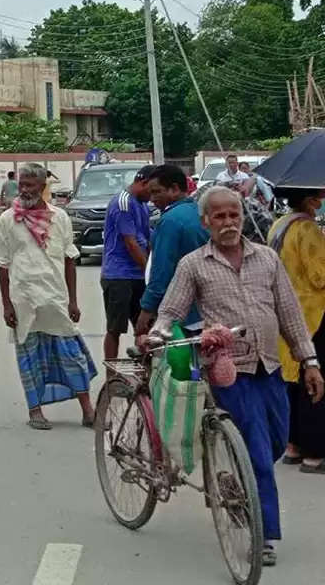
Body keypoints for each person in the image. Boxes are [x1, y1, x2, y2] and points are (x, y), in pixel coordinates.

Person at [150, 185, 324, 566]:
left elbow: (290, 313)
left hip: (271, 366)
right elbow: (171, 310)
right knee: (259, 454)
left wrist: (309, 361)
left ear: (242, 216)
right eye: (220, 216)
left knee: (277, 442)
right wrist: (157, 334)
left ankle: (236, 480)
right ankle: (263, 534)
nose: (228, 222)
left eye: (234, 215)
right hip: (229, 371)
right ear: (205, 222)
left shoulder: (266, 259)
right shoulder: (194, 264)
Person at [0, 164, 96, 430]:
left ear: (43, 187)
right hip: (24, 299)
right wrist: (6, 305)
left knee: (72, 355)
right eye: (22, 184)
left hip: (55, 297)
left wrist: (73, 300)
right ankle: (35, 411)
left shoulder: (59, 217)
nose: (25, 190)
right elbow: (2, 265)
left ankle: (88, 410)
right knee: (29, 359)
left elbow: (70, 259)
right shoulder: (8, 219)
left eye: (30, 185)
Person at [268, 188, 325, 475]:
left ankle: (292, 446)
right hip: (314, 315)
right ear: (311, 198)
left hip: (285, 312)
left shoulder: (281, 223)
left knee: (293, 379)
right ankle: (315, 453)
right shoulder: (308, 228)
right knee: (314, 383)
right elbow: (320, 276)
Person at [135, 164, 209, 336]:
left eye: (156, 192)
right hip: (206, 309)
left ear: (174, 189)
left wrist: (146, 310)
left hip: (182, 314)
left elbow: (161, 271)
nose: (152, 199)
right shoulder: (198, 212)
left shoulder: (169, 221)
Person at [101, 166, 154, 364]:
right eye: (152, 190)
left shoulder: (142, 204)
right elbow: (131, 243)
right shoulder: (123, 203)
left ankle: (144, 370)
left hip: (138, 275)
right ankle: (111, 374)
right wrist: (149, 273)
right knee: (115, 329)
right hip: (118, 275)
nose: (153, 195)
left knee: (143, 326)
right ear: (143, 182)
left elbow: (146, 240)